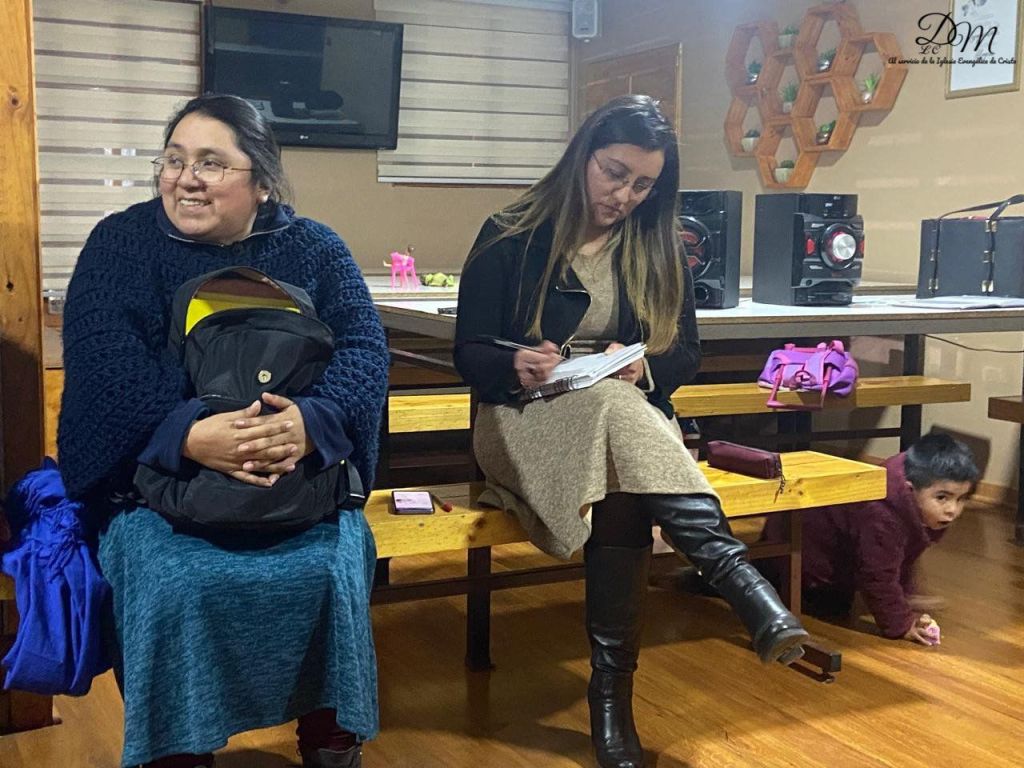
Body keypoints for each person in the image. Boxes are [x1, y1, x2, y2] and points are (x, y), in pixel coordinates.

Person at [452, 94, 807, 768]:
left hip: (621, 426)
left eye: (643, 185)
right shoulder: (510, 232)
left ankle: (611, 697)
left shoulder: (657, 244)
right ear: (582, 155)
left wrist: (644, 366)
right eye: (614, 173)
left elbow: (686, 354)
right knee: (619, 419)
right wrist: (516, 363)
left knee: (621, 450)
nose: (624, 196)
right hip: (520, 418)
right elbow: (468, 353)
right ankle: (737, 582)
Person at [57, 94, 389, 768]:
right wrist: (188, 435)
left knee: (334, 567)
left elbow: (364, 349)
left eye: (211, 163)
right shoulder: (121, 245)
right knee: (173, 579)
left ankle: (332, 747)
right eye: (174, 161)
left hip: (298, 480)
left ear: (261, 181)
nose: (187, 179)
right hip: (158, 487)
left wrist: (310, 422)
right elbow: (105, 364)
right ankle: (177, 751)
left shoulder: (315, 248)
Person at [761, 431, 978, 645]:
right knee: (830, 607)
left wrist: (906, 594)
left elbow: (903, 551)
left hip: (828, 552)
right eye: (942, 497)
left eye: (961, 499)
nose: (952, 510)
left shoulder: (915, 492)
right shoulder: (882, 514)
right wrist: (902, 624)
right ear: (910, 489)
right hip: (801, 559)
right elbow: (877, 574)